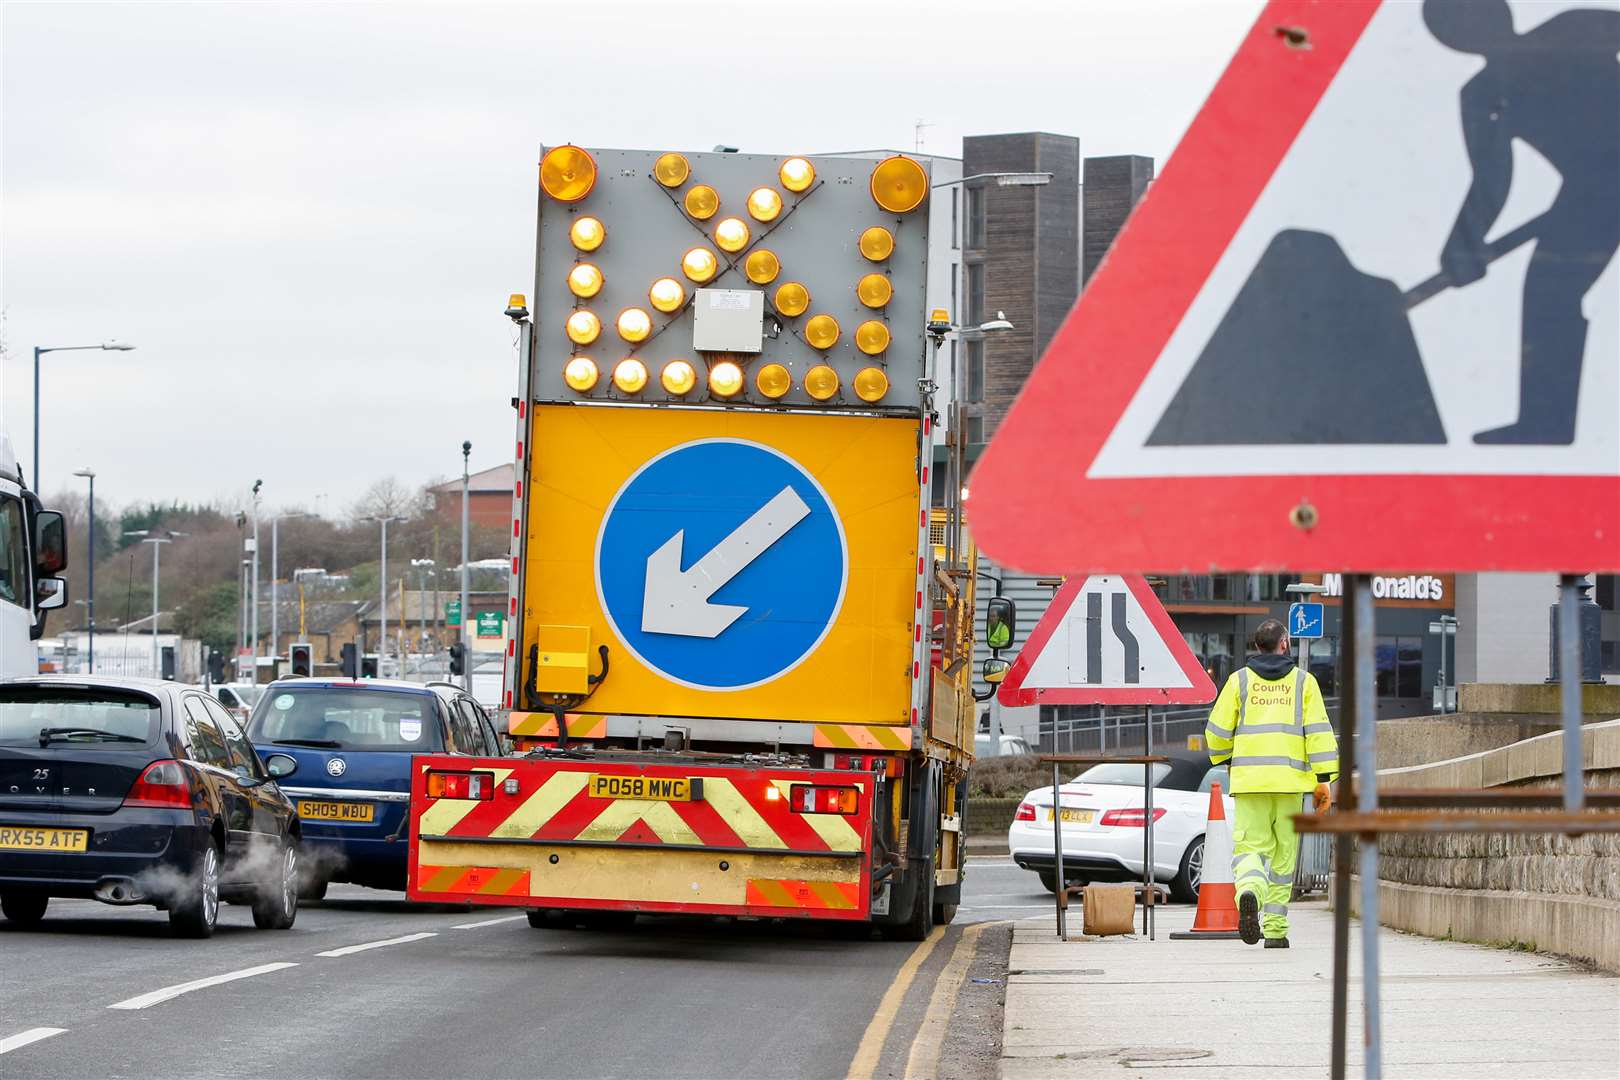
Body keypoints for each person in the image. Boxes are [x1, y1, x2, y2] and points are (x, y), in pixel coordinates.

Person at [1425, 0, 1619, 445]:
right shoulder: (1484, 93)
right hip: (1595, 192)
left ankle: (1546, 424)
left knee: (1549, 293)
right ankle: (1545, 423)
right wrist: (1463, 246)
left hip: (1597, 190)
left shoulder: (1576, 29)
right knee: (1548, 293)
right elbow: (1492, 182)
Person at [1204, 618, 1338, 948]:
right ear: (1284, 644)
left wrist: (1227, 760)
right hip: (1291, 784)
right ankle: (1276, 930)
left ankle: (1249, 892)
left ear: (1257, 646)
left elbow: (1217, 733)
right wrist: (1323, 781)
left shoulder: (1239, 682)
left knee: (1250, 849)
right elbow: (1319, 734)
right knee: (1283, 859)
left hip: (1250, 783)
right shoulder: (1305, 683)